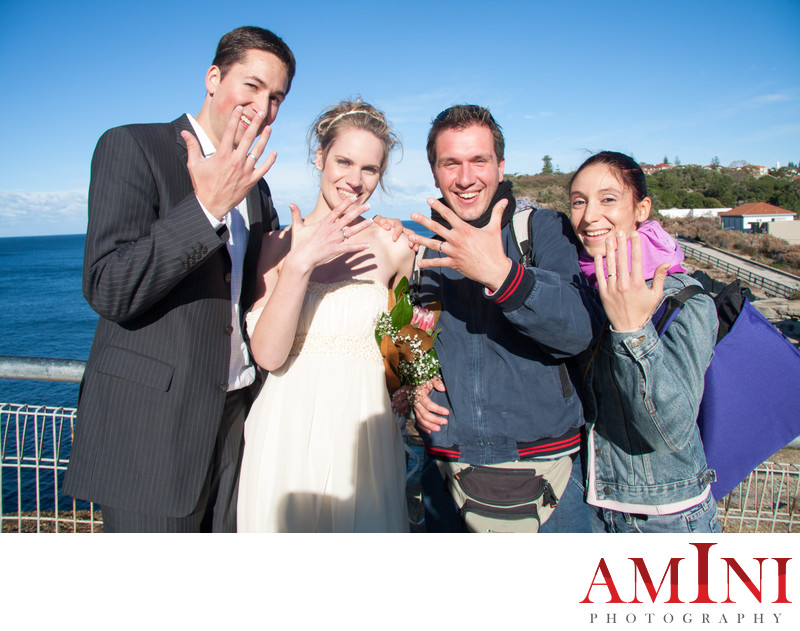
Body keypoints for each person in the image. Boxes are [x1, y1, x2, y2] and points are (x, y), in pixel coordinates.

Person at [62, 27, 296, 532]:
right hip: (152, 429)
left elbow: (260, 286)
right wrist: (207, 208)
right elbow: (108, 287)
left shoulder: (257, 187)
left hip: (236, 415)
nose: (263, 106)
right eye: (252, 86)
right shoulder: (133, 146)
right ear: (214, 78)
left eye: (276, 97)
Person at [406, 105, 594, 532]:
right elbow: (413, 335)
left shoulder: (542, 229)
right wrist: (415, 383)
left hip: (549, 470)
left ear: (501, 165)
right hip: (447, 469)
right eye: (450, 163)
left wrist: (502, 275)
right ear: (435, 173)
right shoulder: (424, 248)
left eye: (479, 160)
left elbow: (576, 332)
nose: (466, 177)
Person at [236, 99, 413, 532]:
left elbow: (406, 336)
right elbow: (268, 356)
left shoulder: (397, 245)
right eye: (343, 161)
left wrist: (410, 382)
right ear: (320, 158)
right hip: (284, 432)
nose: (355, 180)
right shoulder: (276, 244)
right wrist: (299, 265)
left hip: (364, 441)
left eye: (369, 169)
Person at [568, 151, 720, 533]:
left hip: (664, 516)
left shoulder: (684, 299)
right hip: (588, 506)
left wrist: (632, 329)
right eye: (578, 201)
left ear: (641, 208)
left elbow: (670, 431)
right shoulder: (581, 286)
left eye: (608, 199)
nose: (589, 216)